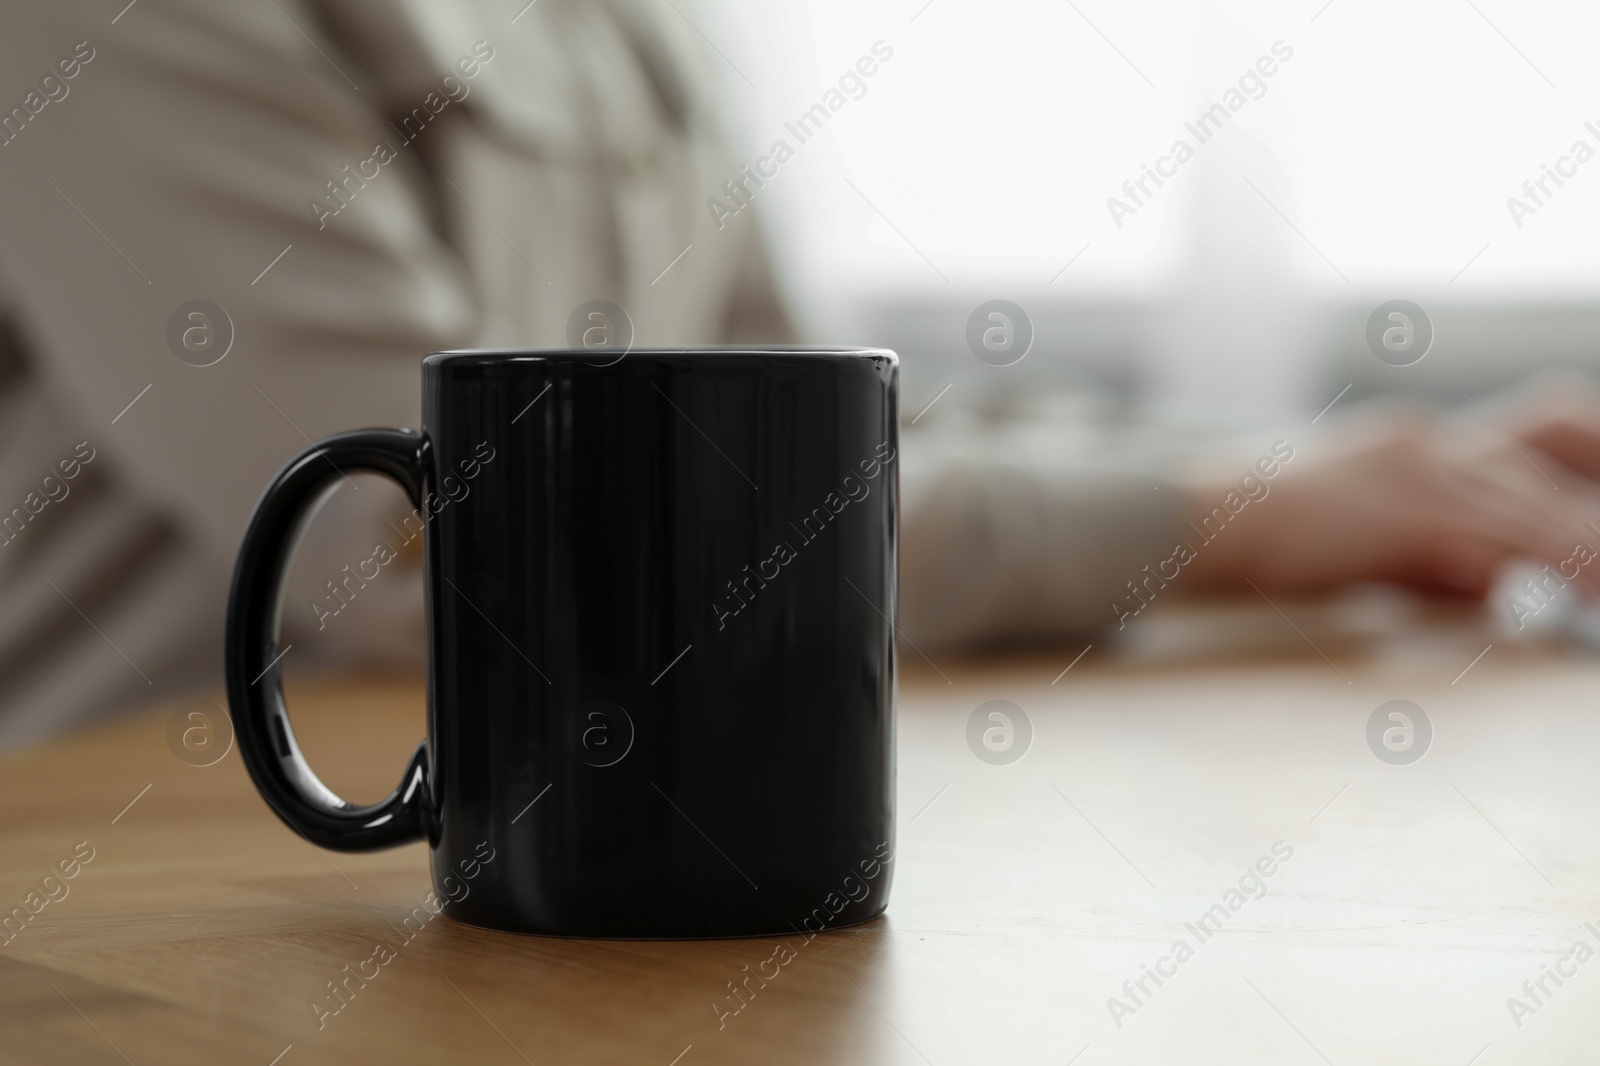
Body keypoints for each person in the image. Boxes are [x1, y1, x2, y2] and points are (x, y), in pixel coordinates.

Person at [1, 0, 1597, 745]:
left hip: (596, 815)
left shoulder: (628, 20)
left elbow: (811, 413)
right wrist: (1226, 511)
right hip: (166, 882)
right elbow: (462, 552)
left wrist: (1376, 477)